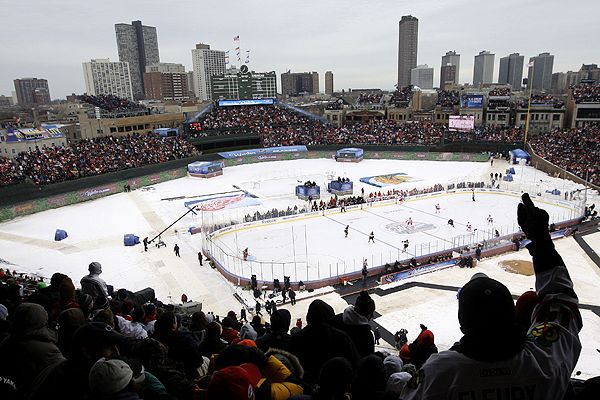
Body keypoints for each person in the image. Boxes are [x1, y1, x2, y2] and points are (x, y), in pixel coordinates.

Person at [400, 193, 583, 400]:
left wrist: (541, 242)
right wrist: (542, 242)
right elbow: (561, 300)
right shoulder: (545, 362)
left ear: (462, 324)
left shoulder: (438, 373)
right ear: (512, 316)